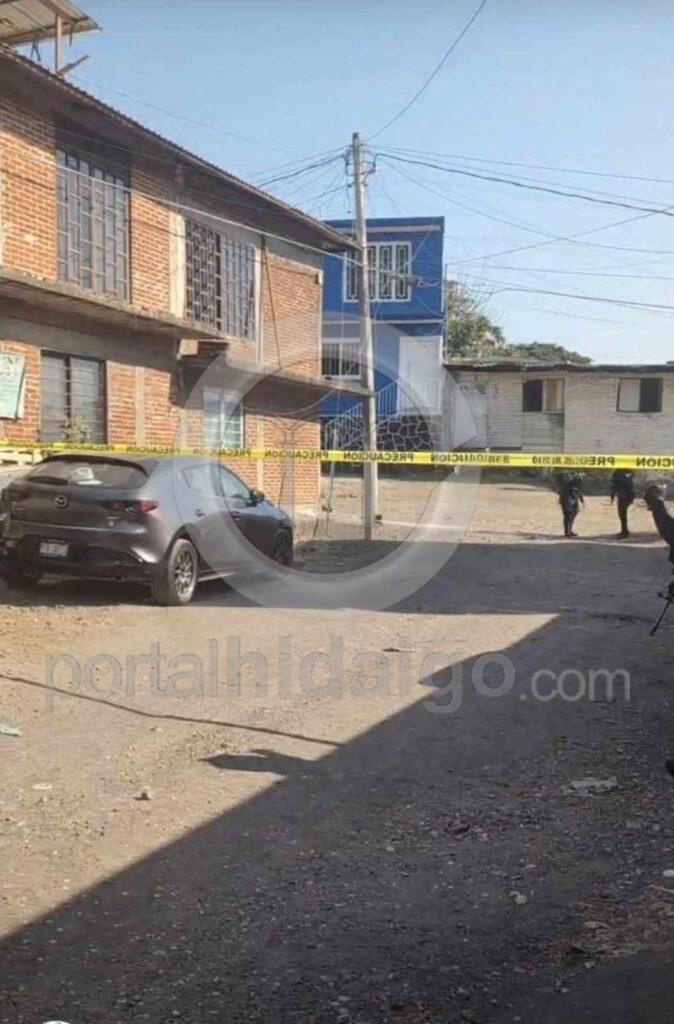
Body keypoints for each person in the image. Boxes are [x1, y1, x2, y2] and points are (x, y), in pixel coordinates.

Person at [610, 468, 636, 539]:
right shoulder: (629, 472)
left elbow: (614, 486)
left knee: (622, 514)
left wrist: (612, 496)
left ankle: (624, 531)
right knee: (623, 514)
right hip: (628, 494)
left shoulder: (618, 473)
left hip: (623, 495)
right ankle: (624, 530)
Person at [557, 471, 584, 538]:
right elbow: (562, 492)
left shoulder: (577, 483)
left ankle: (570, 530)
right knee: (568, 515)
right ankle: (567, 532)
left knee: (575, 512)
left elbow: (579, 490)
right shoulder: (567, 482)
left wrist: (582, 500)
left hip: (574, 499)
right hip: (566, 499)